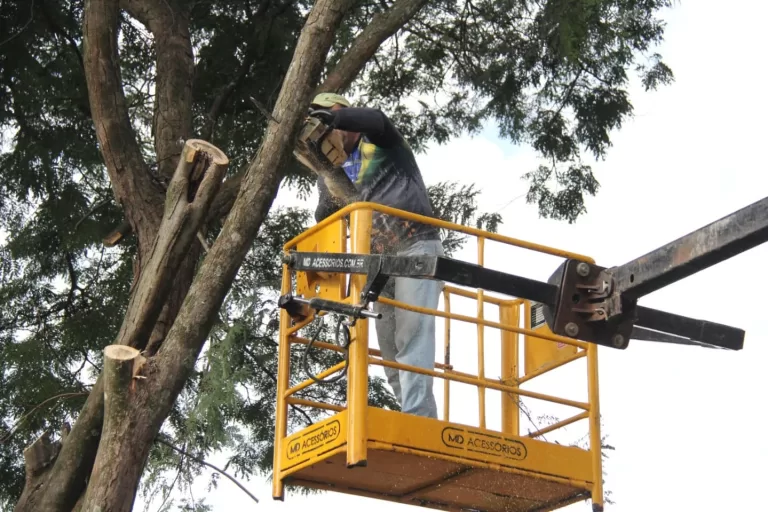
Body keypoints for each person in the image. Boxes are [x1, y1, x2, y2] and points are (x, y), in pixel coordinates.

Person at [308, 92, 444, 419]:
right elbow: (324, 217)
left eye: (329, 117)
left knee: (412, 336)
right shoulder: (332, 171)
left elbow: (378, 119)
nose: (326, 126)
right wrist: (323, 166)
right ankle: (412, 418)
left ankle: (418, 422)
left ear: (346, 115)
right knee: (391, 352)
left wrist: (335, 120)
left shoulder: (380, 143)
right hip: (379, 265)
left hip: (416, 249)